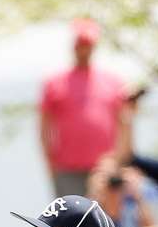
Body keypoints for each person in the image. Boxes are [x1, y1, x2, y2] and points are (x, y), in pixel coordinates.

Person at [38, 18, 129, 197]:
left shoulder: (113, 82)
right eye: (80, 44)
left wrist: (117, 161)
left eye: (88, 45)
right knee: (70, 222)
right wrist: (50, 164)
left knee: (105, 222)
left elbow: (124, 124)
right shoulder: (54, 83)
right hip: (67, 170)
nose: (84, 49)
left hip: (103, 171)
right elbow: (44, 127)